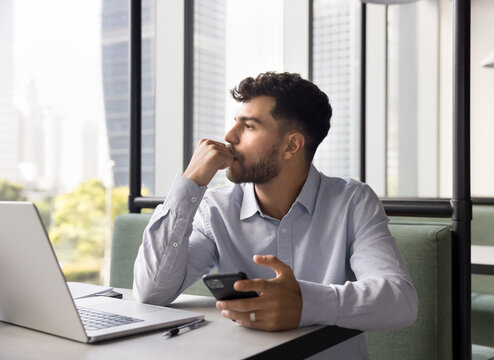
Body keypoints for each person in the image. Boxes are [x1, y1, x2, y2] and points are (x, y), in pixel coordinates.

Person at [134, 72, 417, 356]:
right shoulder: (215, 208)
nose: (229, 137)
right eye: (235, 123)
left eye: (249, 126)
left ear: (291, 145)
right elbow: (151, 291)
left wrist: (304, 303)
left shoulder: (352, 201)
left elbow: (400, 301)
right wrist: (190, 183)